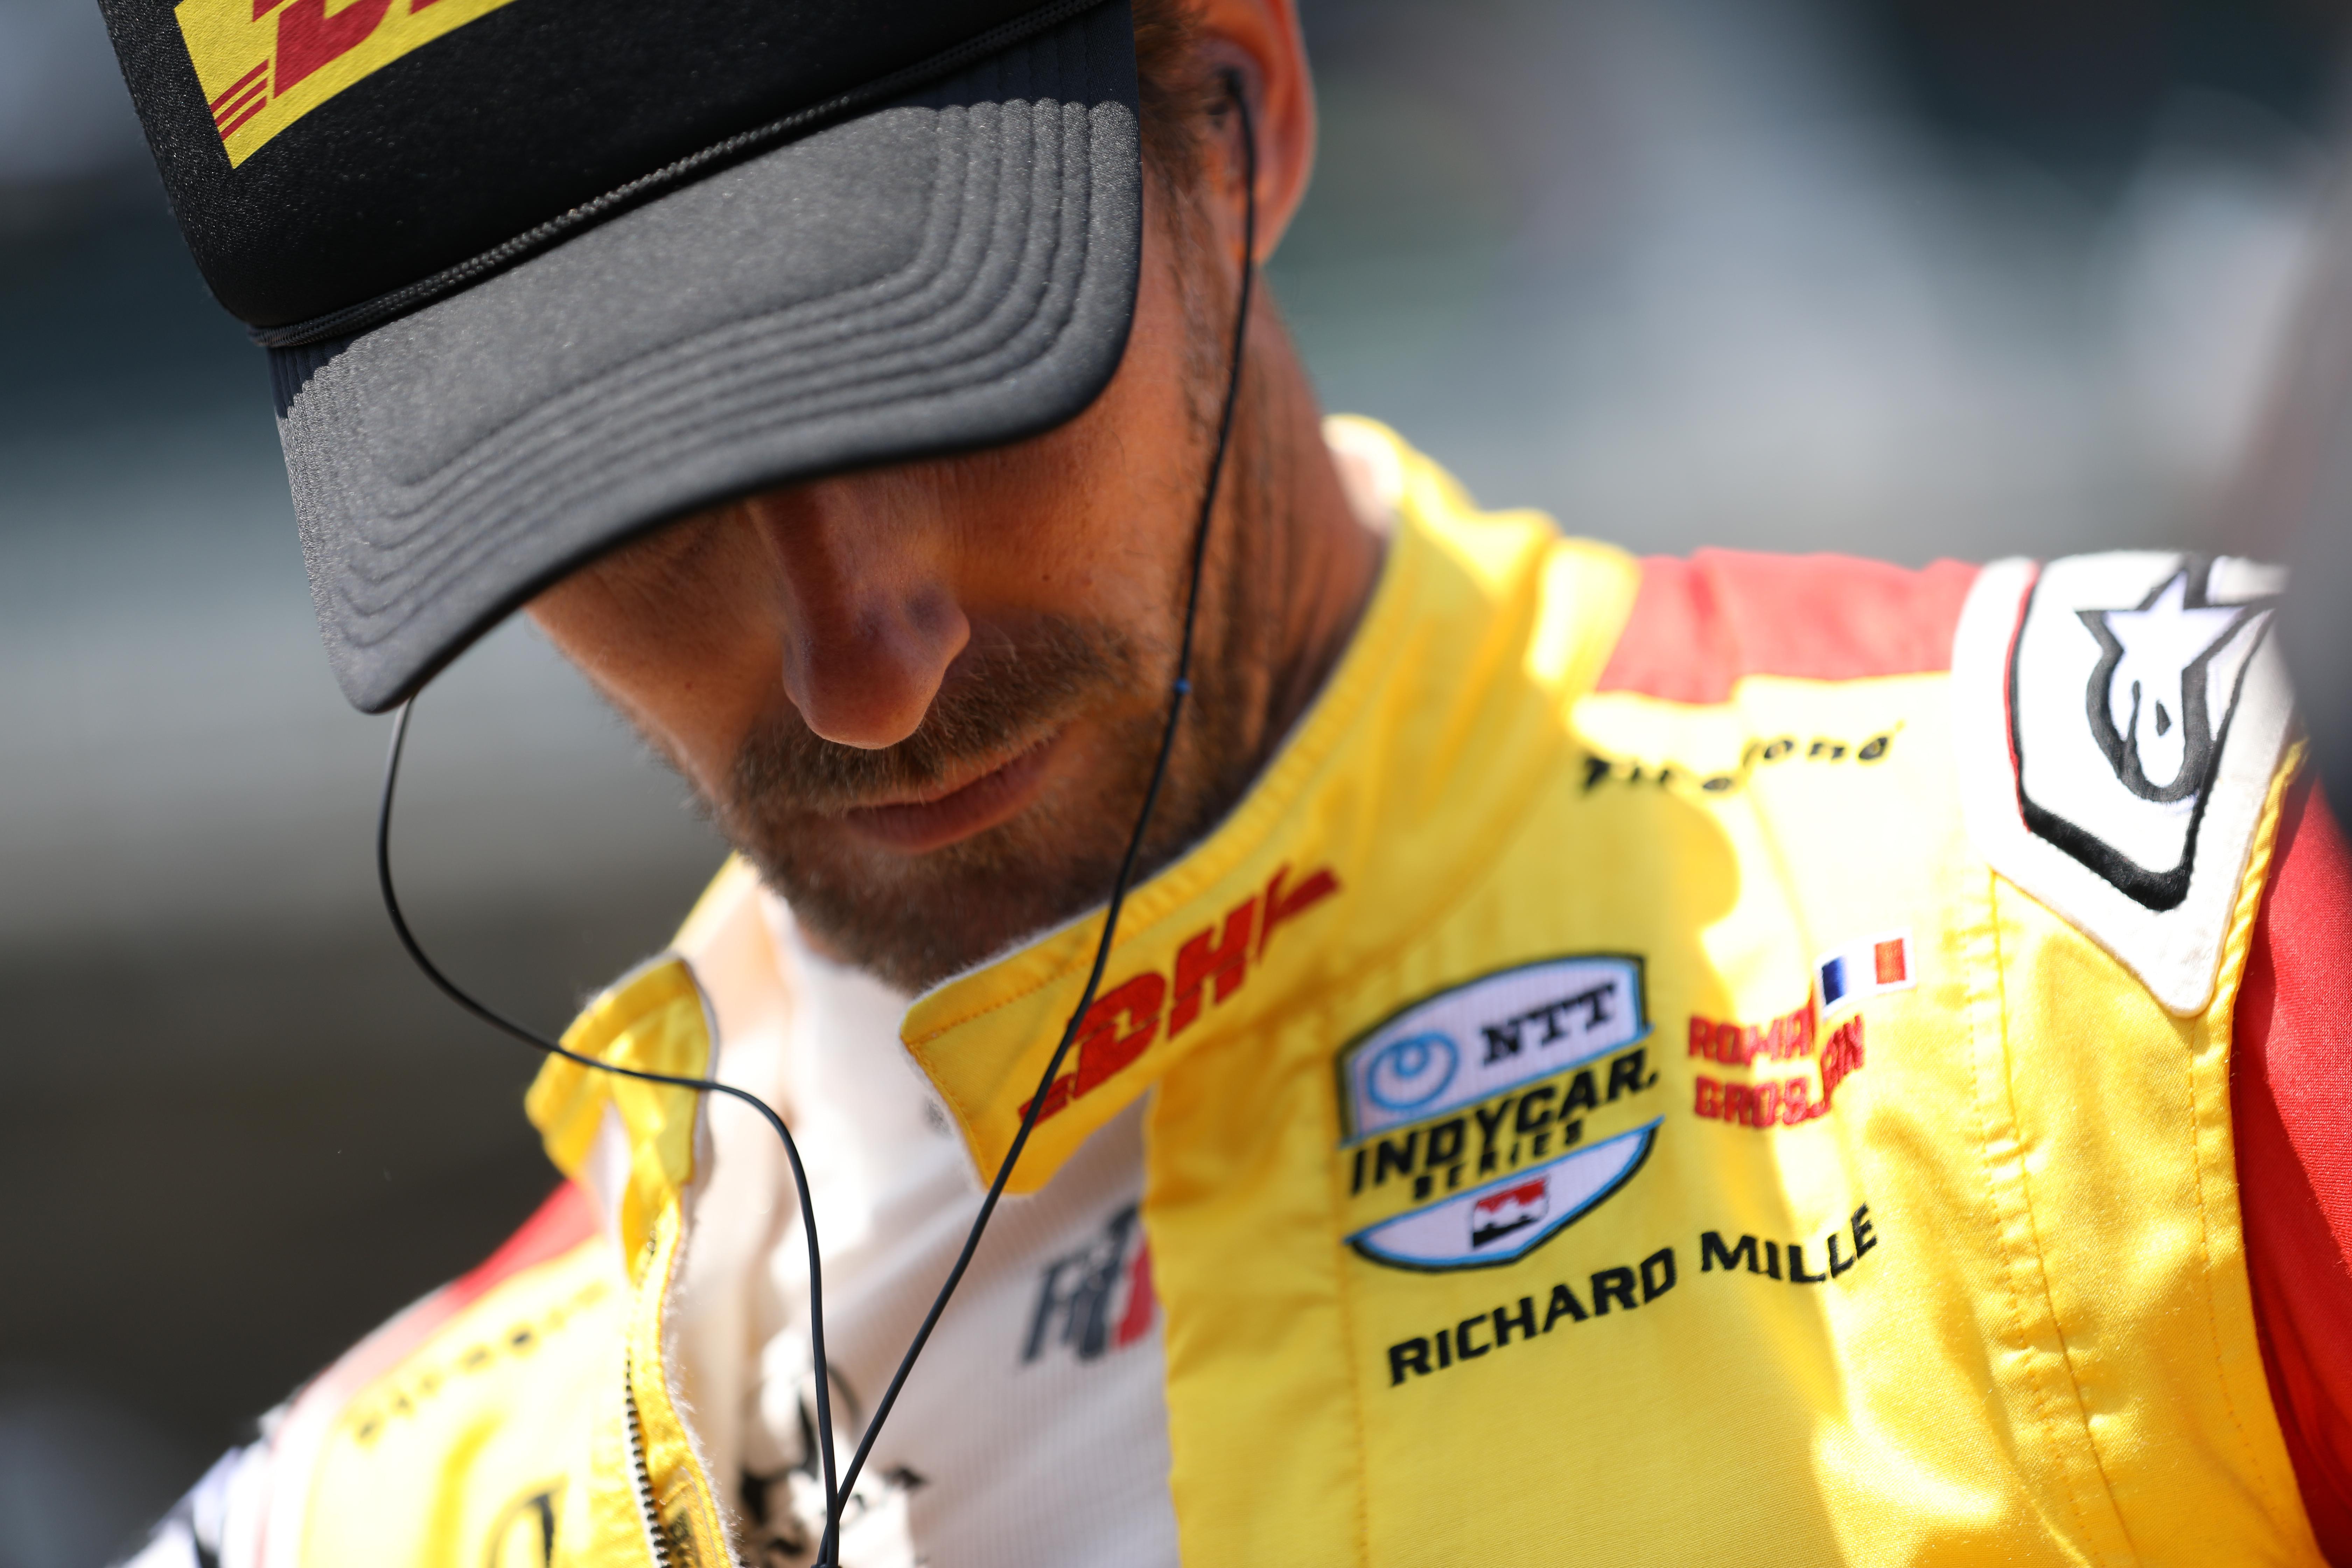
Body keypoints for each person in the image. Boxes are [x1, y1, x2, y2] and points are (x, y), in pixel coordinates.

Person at [99, 0, 2348, 1562]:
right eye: (622, 507)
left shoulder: (2133, 966)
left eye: (935, 374)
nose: (865, 670)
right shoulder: (378, 1509)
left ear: (1241, 111)